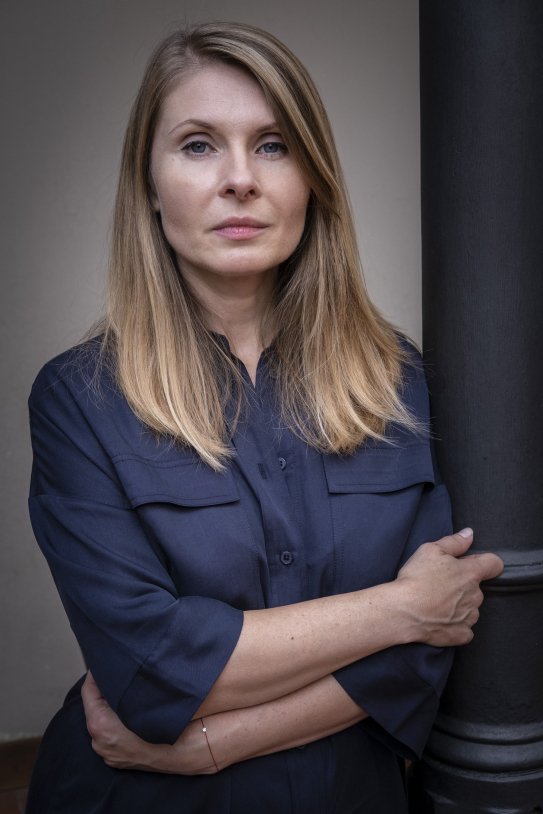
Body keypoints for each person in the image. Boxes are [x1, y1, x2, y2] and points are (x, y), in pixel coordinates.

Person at [26, 21, 503, 814]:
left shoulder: (398, 377)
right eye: (198, 145)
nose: (240, 179)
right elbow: (148, 668)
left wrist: (218, 743)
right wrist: (395, 608)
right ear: (148, 180)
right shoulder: (78, 399)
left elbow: (432, 643)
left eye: (274, 144)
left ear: (313, 177)